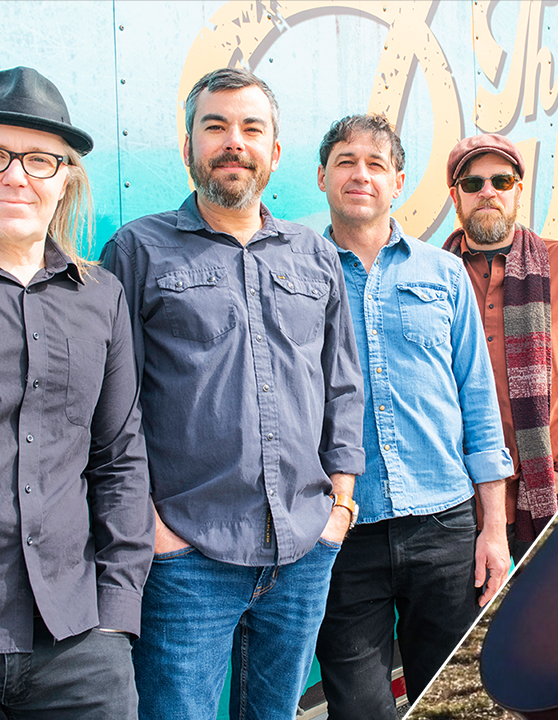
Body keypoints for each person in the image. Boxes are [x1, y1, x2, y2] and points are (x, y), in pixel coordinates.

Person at [100, 68, 365, 720]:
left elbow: (342, 382)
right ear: (188, 145)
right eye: (215, 126)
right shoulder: (138, 250)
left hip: (304, 548)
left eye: (251, 128)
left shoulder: (313, 254)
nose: (232, 142)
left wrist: (340, 505)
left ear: (274, 151)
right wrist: (155, 530)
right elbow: (111, 406)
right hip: (187, 559)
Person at [0, 67, 152, 718]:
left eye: (40, 159)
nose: (16, 175)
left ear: (64, 180)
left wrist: (116, 616)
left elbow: (120, 458)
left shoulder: (102, 299)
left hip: (79, 642)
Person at [312, 114, 514, 719]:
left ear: (397, 181)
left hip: (443, 525)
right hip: (343, 529)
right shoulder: (297, 273)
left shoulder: (443, 272)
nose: (361, 175)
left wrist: (495, 530)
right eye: (346, 161)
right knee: (358, 708)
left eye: (376, 164)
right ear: (322, 176)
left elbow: (477, 399)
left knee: (452, 702)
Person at [441, 133, 558, 561]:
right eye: (472, 183)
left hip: (549, 494)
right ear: (455, 196)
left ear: (518, 190)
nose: (487, 193)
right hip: (461, 505)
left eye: (500, 181)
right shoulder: (432, 276)